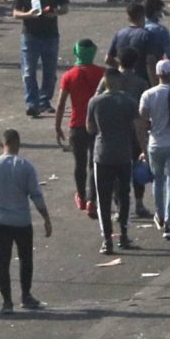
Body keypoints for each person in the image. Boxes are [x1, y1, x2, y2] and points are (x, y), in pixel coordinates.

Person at [0, 128, 51, 312]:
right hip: (22, 222)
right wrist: (46, 218)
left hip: (0, 223)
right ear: (18, 144)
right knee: (26, 259)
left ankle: (7, 302)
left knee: (2, 263)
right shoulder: (26, 166)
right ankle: (26, 296)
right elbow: (36, 195)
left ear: (3, 145)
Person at [87, 52, 146, 252]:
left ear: (105, 82)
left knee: (104, 198)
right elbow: (138, 127)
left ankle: (107, 240)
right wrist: (144, 150)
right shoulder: (128, 101)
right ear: (118, 82)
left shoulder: (95, 102)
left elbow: (90, 128)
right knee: (124, 194)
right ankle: (124, 235)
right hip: (123, 153)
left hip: (102, 153)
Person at [54, 38, 107, 214]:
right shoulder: (102, 73)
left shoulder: (69, 75)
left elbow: (61, 104)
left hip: (77, 125)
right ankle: (92, 199)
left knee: (79, 163)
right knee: (95, 163)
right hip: (98, 124)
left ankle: (82, 196)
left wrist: (57, 126)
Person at [12, 0, 67, 119]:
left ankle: (44, 101)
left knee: (49, 72)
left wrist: (54, 13)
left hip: (50, 34)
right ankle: (32, 103)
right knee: (29, 71)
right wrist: (28, 15)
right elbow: (15, 13)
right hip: (30, 35)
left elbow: (64, 7)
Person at [140, 59, 170, 237]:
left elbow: (143, 120)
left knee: (158, 180)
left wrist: (144, 144)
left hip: (155, 143)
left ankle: (159, 215)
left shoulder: (148, 94)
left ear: (157, 74)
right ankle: (169, 222)